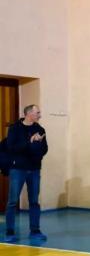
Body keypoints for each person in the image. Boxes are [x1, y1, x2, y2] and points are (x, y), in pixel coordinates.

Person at [4, 104, 48, 243]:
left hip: (34, 169)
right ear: (29, 114)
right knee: (12, 201)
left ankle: (35, 230)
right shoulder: (15, 128)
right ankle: (10, 231)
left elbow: (45, 149)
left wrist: (37, 144)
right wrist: (29, 142)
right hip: (18, 169)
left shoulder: (40, 129)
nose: (40, 115)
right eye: (37, 113)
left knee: (34, 201)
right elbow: (11, 148)